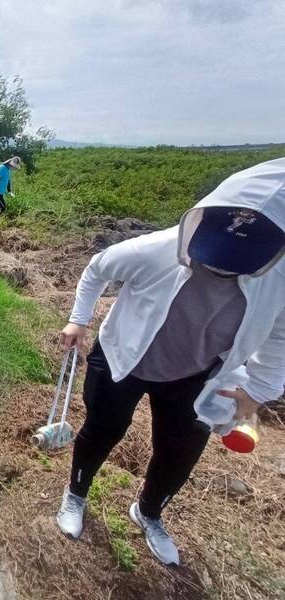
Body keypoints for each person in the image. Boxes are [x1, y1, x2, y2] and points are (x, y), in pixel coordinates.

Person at [55, 158, 285, 567]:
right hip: (124, 354)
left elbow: (280, 335)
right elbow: (97, 268)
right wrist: (78, 319)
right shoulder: (157, 249)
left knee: (179, 451)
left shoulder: (278, 277)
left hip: (197, 373)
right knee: (104, 428)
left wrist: (258, 391)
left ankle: (148, 512)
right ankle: (76, 494)